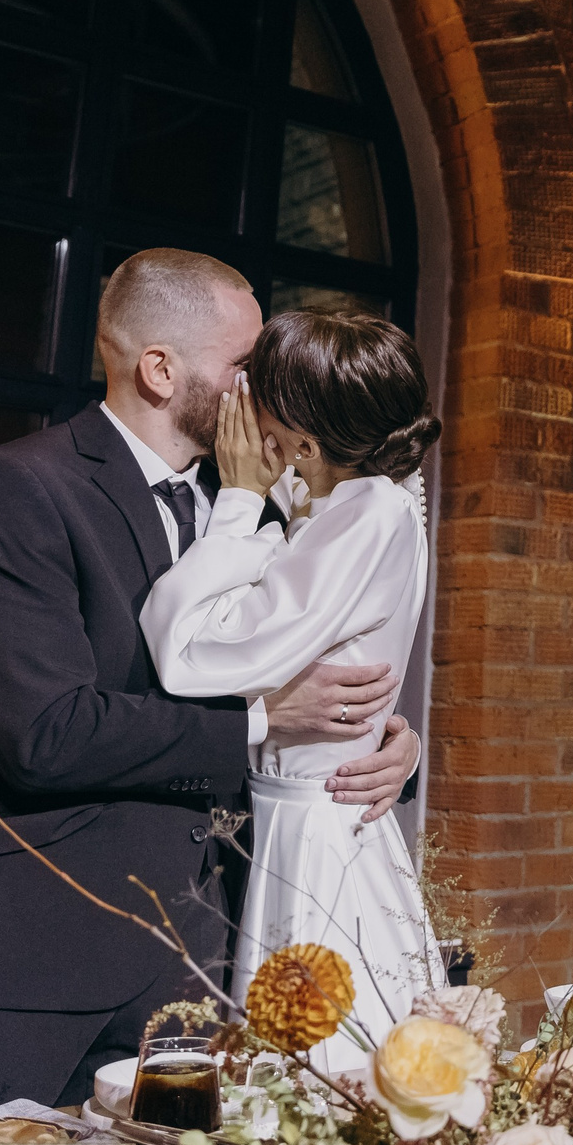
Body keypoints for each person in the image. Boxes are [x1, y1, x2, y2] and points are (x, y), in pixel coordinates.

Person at [0, 251, 422, 1129]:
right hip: (24, 955)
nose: (265, 389)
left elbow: (319, 652)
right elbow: (46, 731)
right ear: (160, 369)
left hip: (195, 961)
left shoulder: (265, 504)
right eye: (246, 364)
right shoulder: (17, 486)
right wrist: (265, 720)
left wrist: (384, 740)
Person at [142, 311, 444, 1069]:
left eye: (260, 391)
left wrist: (240, 500)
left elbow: (194, 653)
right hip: (294, 818)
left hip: (313, 833)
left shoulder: (368, 512)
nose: (241, 400)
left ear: (305, 443)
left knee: (317, 1064)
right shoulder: (350, 502)